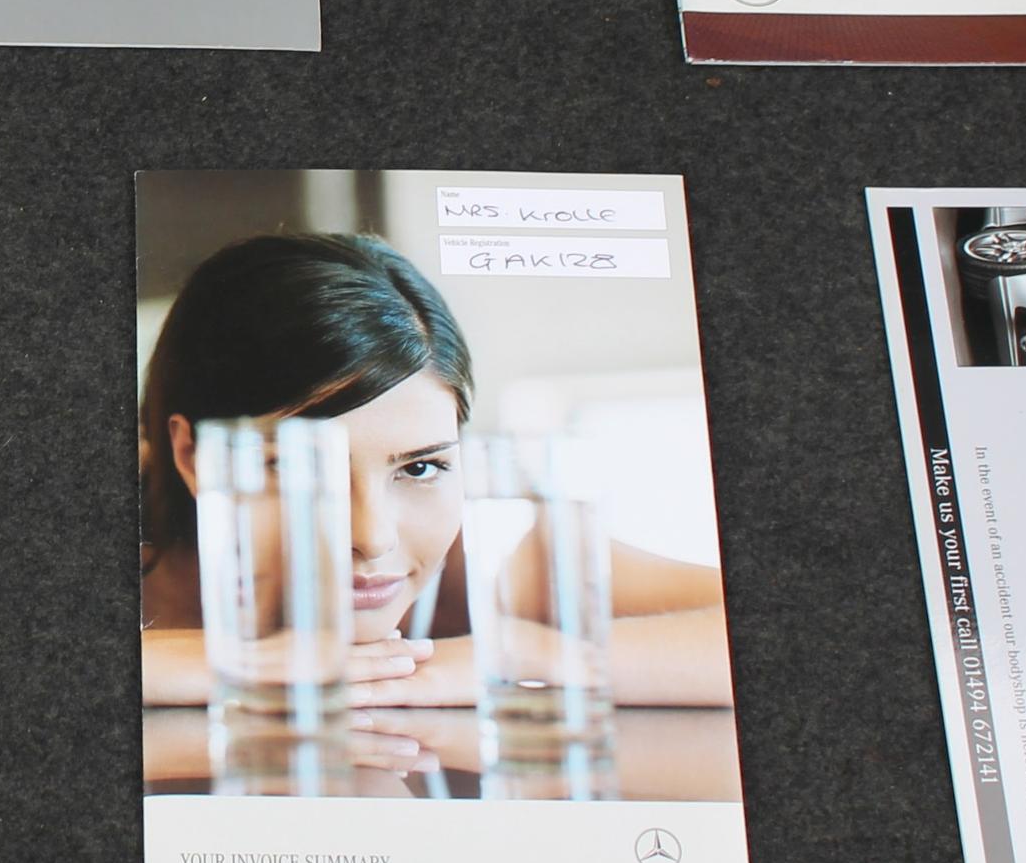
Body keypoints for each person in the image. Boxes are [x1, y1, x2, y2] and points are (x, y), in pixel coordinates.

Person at [139, 231, 732, 710]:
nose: (373, 537)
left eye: (421, 467)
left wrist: (511, 655)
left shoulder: (499, 558)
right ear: (192, 456)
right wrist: (198, 662)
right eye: (299, 469)